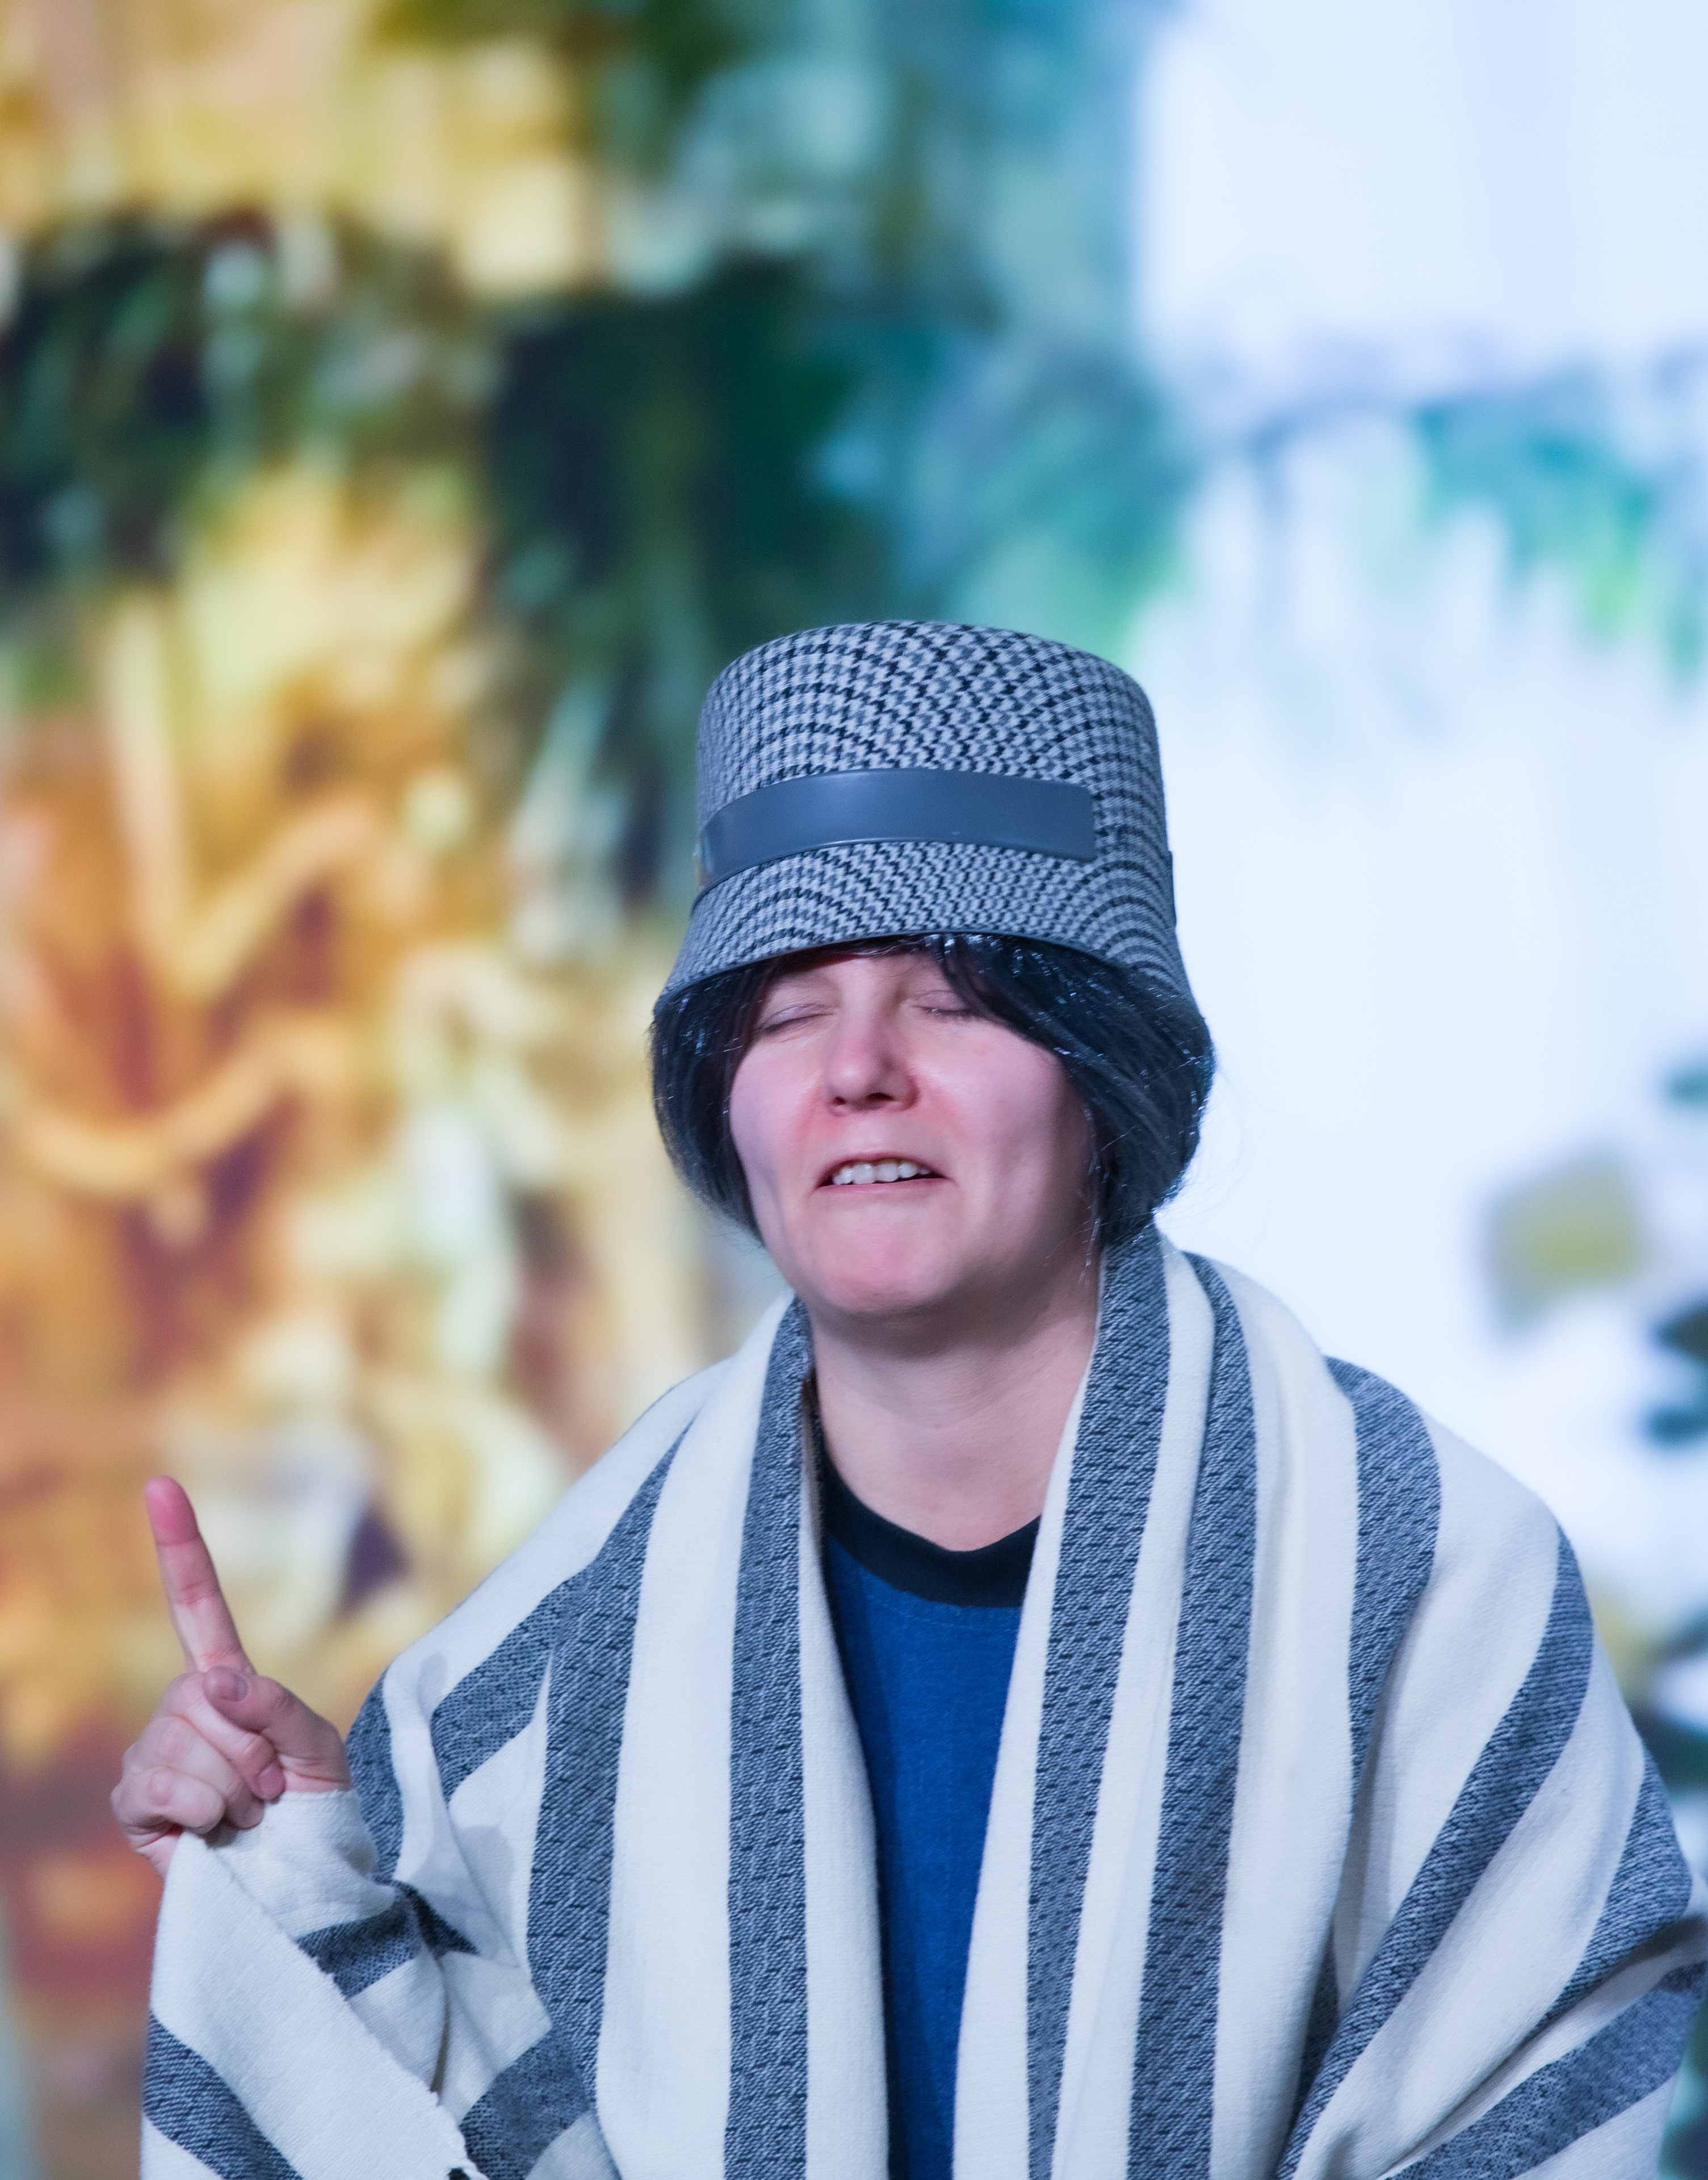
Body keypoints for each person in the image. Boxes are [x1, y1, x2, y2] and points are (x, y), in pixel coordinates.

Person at [119, 621, 1706, 2180]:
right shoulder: (540, 1673)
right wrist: (302, 1865)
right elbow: (466, 2118)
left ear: (1104, 1074)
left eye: (953, 996)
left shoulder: (1431, 1587)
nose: (858, 1068)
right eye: (787, 1009)